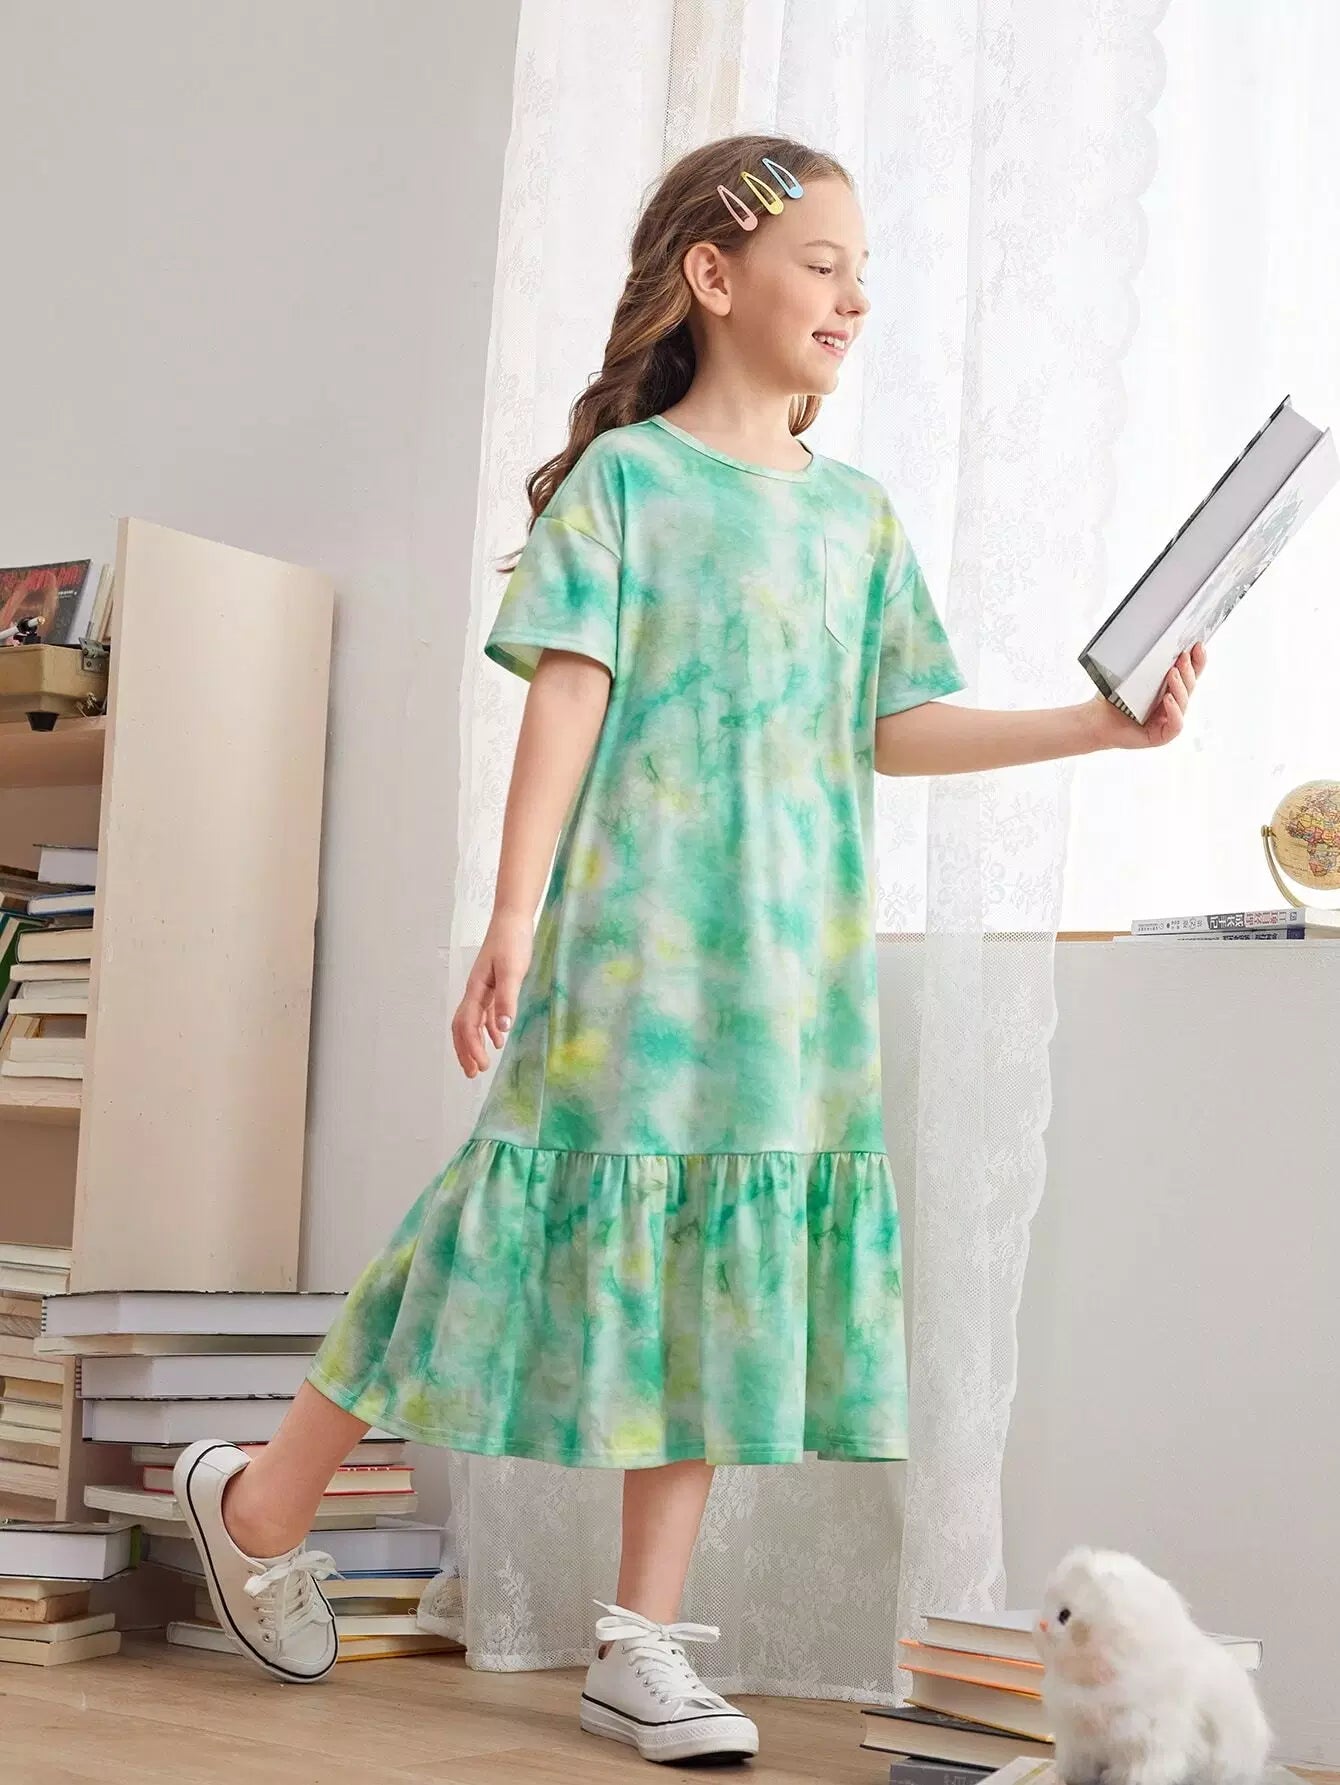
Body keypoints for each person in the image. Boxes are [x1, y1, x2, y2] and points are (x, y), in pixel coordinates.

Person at [169, 133, 1205, 1766]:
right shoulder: (628, 487)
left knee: (722, 1284)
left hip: (791, 985)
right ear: (715, 279)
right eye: (822, 263)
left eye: (865, 271)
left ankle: (640, 1642)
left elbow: (893, 723)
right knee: (486, 1227)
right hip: (628, 968)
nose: (854, 296)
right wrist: (511, 916)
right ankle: (260, 1502)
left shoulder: (857, 517)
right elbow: (568, 695)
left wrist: (1098, 725)